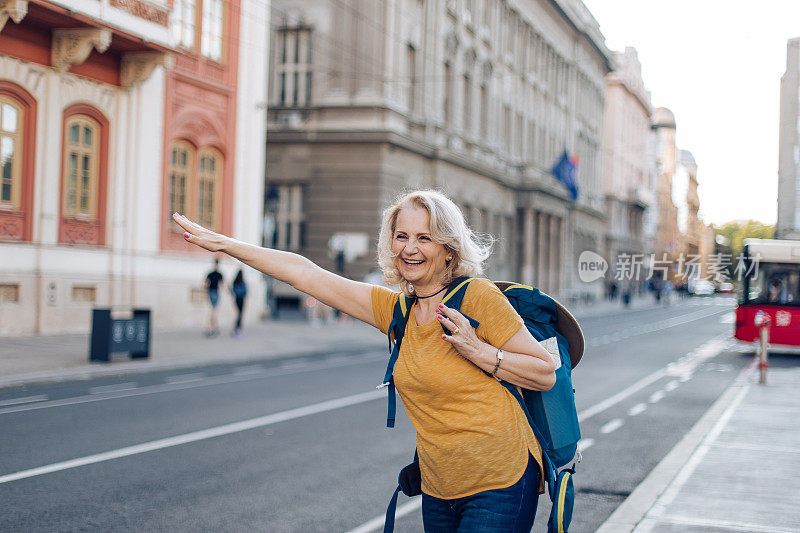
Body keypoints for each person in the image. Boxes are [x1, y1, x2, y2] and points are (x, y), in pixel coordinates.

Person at [172, 189, 556, 532]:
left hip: (501, 477)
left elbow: (543, 372)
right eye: (401, 236)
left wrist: (480, 351)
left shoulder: (477, 297)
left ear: (449, 249)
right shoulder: (396, 311)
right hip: (440, 485)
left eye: (425, 238)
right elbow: (306, 274)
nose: (410, 248)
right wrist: (228, 245)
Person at [204, 258, 223, 337]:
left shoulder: (210, 273)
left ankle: (213, 327)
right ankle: (211, 328)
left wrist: (206, 291)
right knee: (214, 310)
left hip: (210, 292)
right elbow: (222, 284)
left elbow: (205, 283)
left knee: (212, 310)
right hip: (215, 292)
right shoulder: (219, 274)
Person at [231, 268, 248, 337]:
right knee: (240, 314)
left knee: (238, 314)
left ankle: (236, 328)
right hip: (241, 299)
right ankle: (238, 329)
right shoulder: (243, 282)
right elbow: (245, 291)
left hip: (237, 299)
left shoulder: (235, 281)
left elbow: (233, 291)